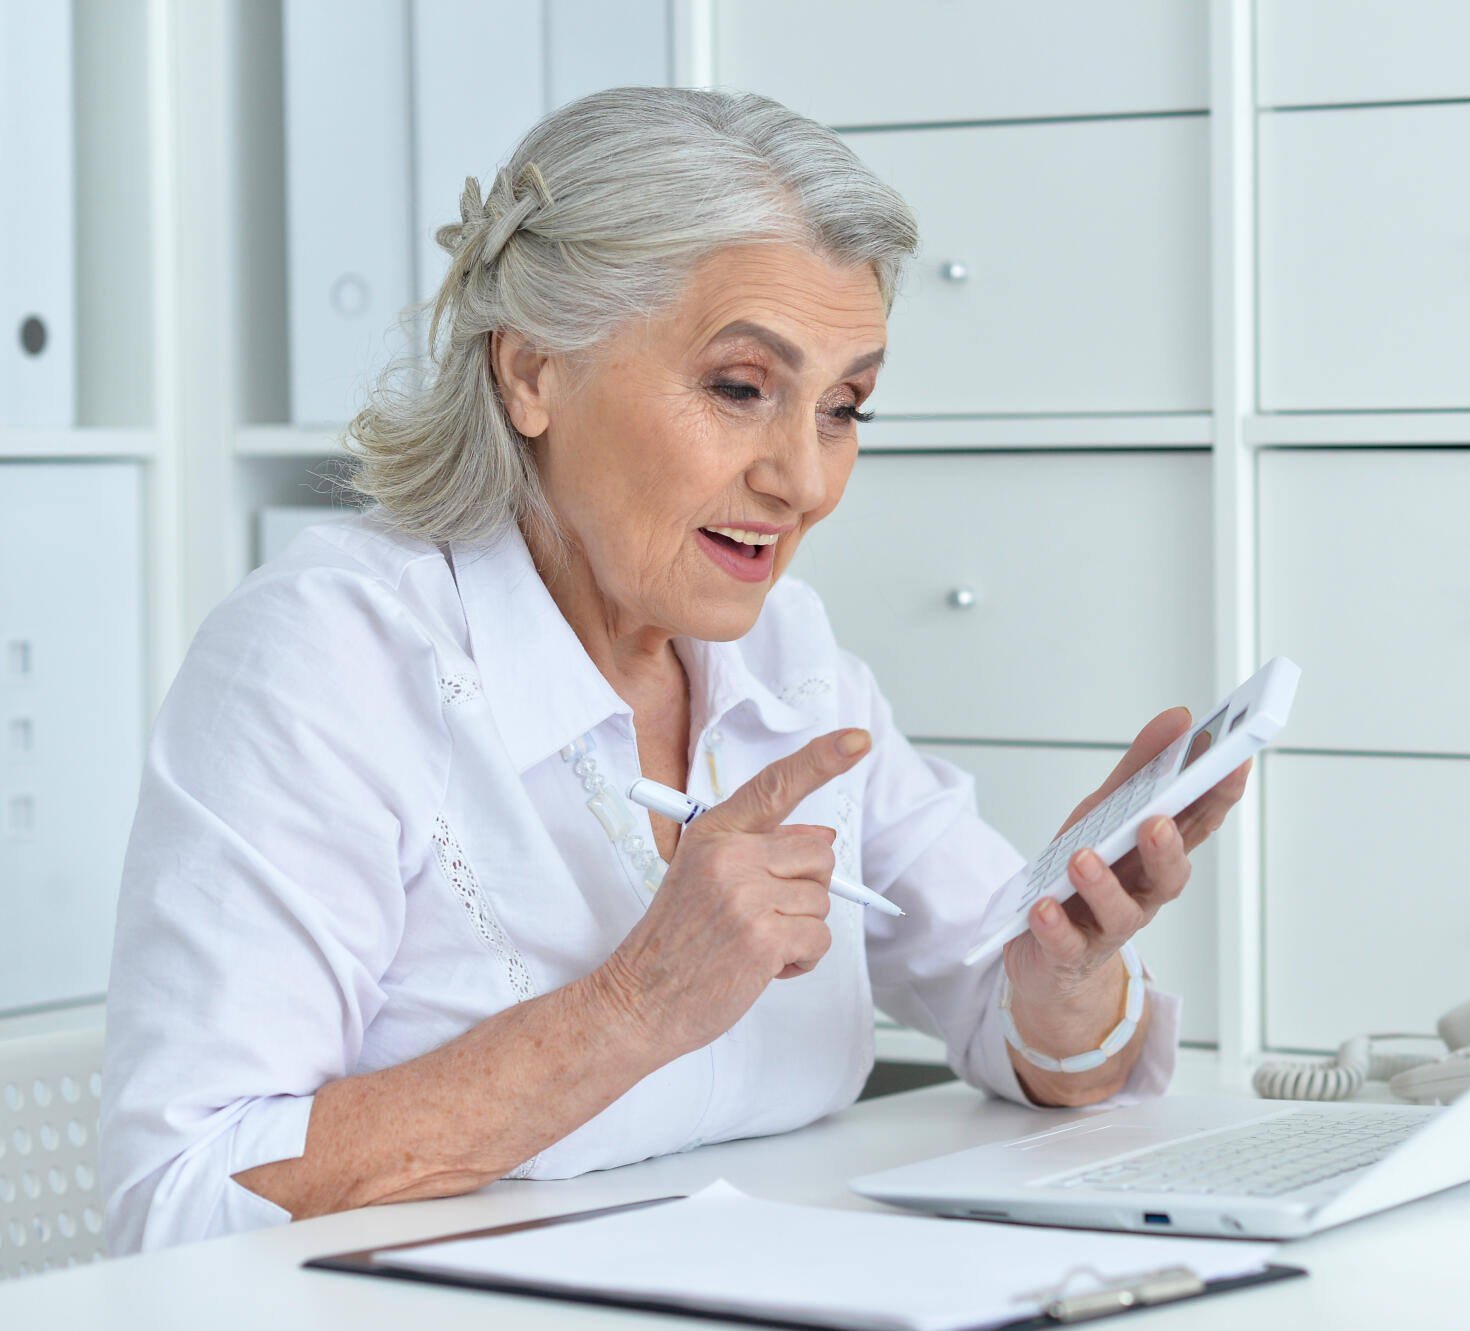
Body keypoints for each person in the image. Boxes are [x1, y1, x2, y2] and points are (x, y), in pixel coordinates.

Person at [100, 87, 1248, 1253]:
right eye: (739, 388)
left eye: (844, 407)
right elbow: (181, 1198)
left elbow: (1025, 1030)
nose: (804, 481)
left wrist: (1063, 973)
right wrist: (635, 1004)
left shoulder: (787, 653)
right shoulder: (325, 659)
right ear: (532, 371)